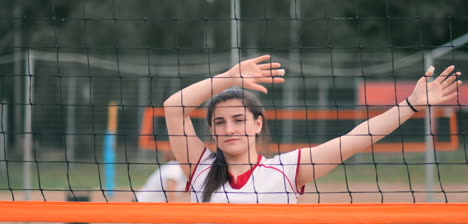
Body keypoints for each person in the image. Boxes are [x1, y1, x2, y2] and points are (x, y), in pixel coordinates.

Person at [163, 54, 461, 203]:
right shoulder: (200, 168)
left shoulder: (286, 169)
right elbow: (173, 108)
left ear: (257, 124)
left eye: (238, 120)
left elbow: (356, 139)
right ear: (213, 132)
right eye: (220, 122)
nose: (229, 129)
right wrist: (228, 78)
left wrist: (410, 104)